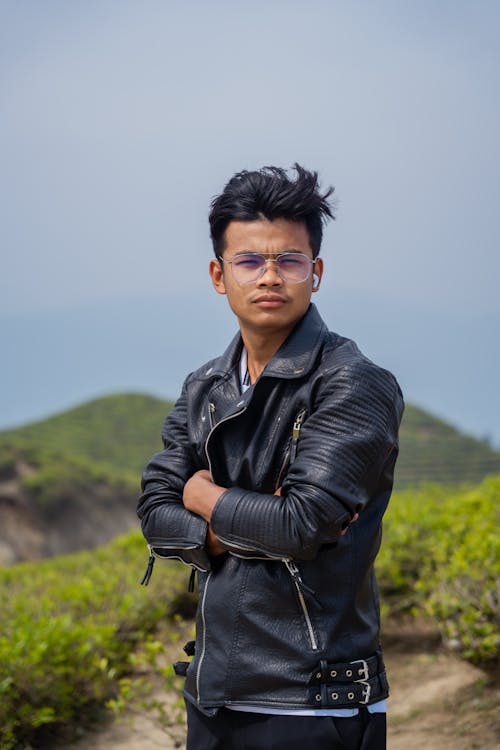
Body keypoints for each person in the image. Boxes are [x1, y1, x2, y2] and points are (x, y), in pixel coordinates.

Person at [138, 164, 404, 750]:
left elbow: (298, 525)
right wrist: (234, 522)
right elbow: (154, 512)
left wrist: (204, 496)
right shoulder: (205, 385)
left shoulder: (353, 385)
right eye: (250, 261)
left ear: (316, 272)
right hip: (213, 690)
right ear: (218, 274)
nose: (270, 277)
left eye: (289, 260)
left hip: (312, 701)